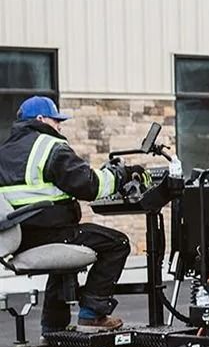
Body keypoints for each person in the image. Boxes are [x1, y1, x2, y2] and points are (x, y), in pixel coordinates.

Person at [0, 96, 131, 332]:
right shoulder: (48, 146)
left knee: (64, 264)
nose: (60, 126)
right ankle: (93, 313)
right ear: (40, 119)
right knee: (118, 243)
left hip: (21, 238)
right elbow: (90, 186)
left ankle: (52, 330)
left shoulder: (5, 151)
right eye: (56, 120)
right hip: (48, 231)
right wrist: (120, 175)